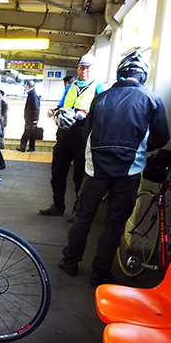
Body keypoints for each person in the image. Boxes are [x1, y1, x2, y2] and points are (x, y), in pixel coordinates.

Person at [58, 51, 170, 286]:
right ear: (143, 76)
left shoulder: (101, 98)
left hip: (96, 169)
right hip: (128, 172)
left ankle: (70, 261)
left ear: (120, 73)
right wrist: (141, 148)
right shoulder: (152, 99)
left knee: (83, 216)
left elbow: (88, 132)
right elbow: (162, 137)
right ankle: (100, 272)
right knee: (115, 223)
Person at [39, 54, 105, 219]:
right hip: (64, 133)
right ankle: (57, 205)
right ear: (78, 68)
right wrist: (54, 112)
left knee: (80, 175)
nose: (84, 71)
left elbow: (104, 111)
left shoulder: (99, 87)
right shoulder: (72, 86)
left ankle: (78, 209)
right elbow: (62, 105)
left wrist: (86, 114)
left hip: (83, 134)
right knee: (57, 171)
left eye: (87, 68)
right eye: (82, 67)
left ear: (93, 70)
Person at [16, 80, 40, 152]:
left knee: (28, 134)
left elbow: (36, 108)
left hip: (31, 119)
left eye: (26, 85)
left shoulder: (33, 96)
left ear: (28, 86)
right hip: (29, 118)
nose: (25, 87)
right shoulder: (31, 95)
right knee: (30, 133)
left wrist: (35, 119)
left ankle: (24, 148)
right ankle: (30, 148)